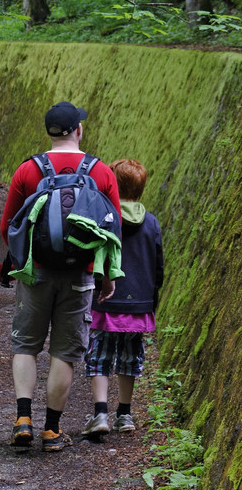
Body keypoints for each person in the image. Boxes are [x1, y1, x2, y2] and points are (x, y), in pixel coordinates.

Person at [0, 101, 121, 452]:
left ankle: (23, 419)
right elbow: (113, 233)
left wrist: (23, 263)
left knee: (26, 344)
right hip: (79, 275)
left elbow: (10, 225)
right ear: (78, 130)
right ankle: (52, 430)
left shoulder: (28, 170)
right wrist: (107, 277)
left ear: (49, 132)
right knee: (64, 352)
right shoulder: (100, 172)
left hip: (36, 272)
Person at [82, 159, 163, 437]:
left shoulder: (104, 218)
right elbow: (158, 266)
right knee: (130, 358)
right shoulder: (151, 223)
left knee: (99, 357)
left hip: (104, 303)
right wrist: (151, 300)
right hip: (138, 305)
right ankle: (125, 415)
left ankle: (100, 413)